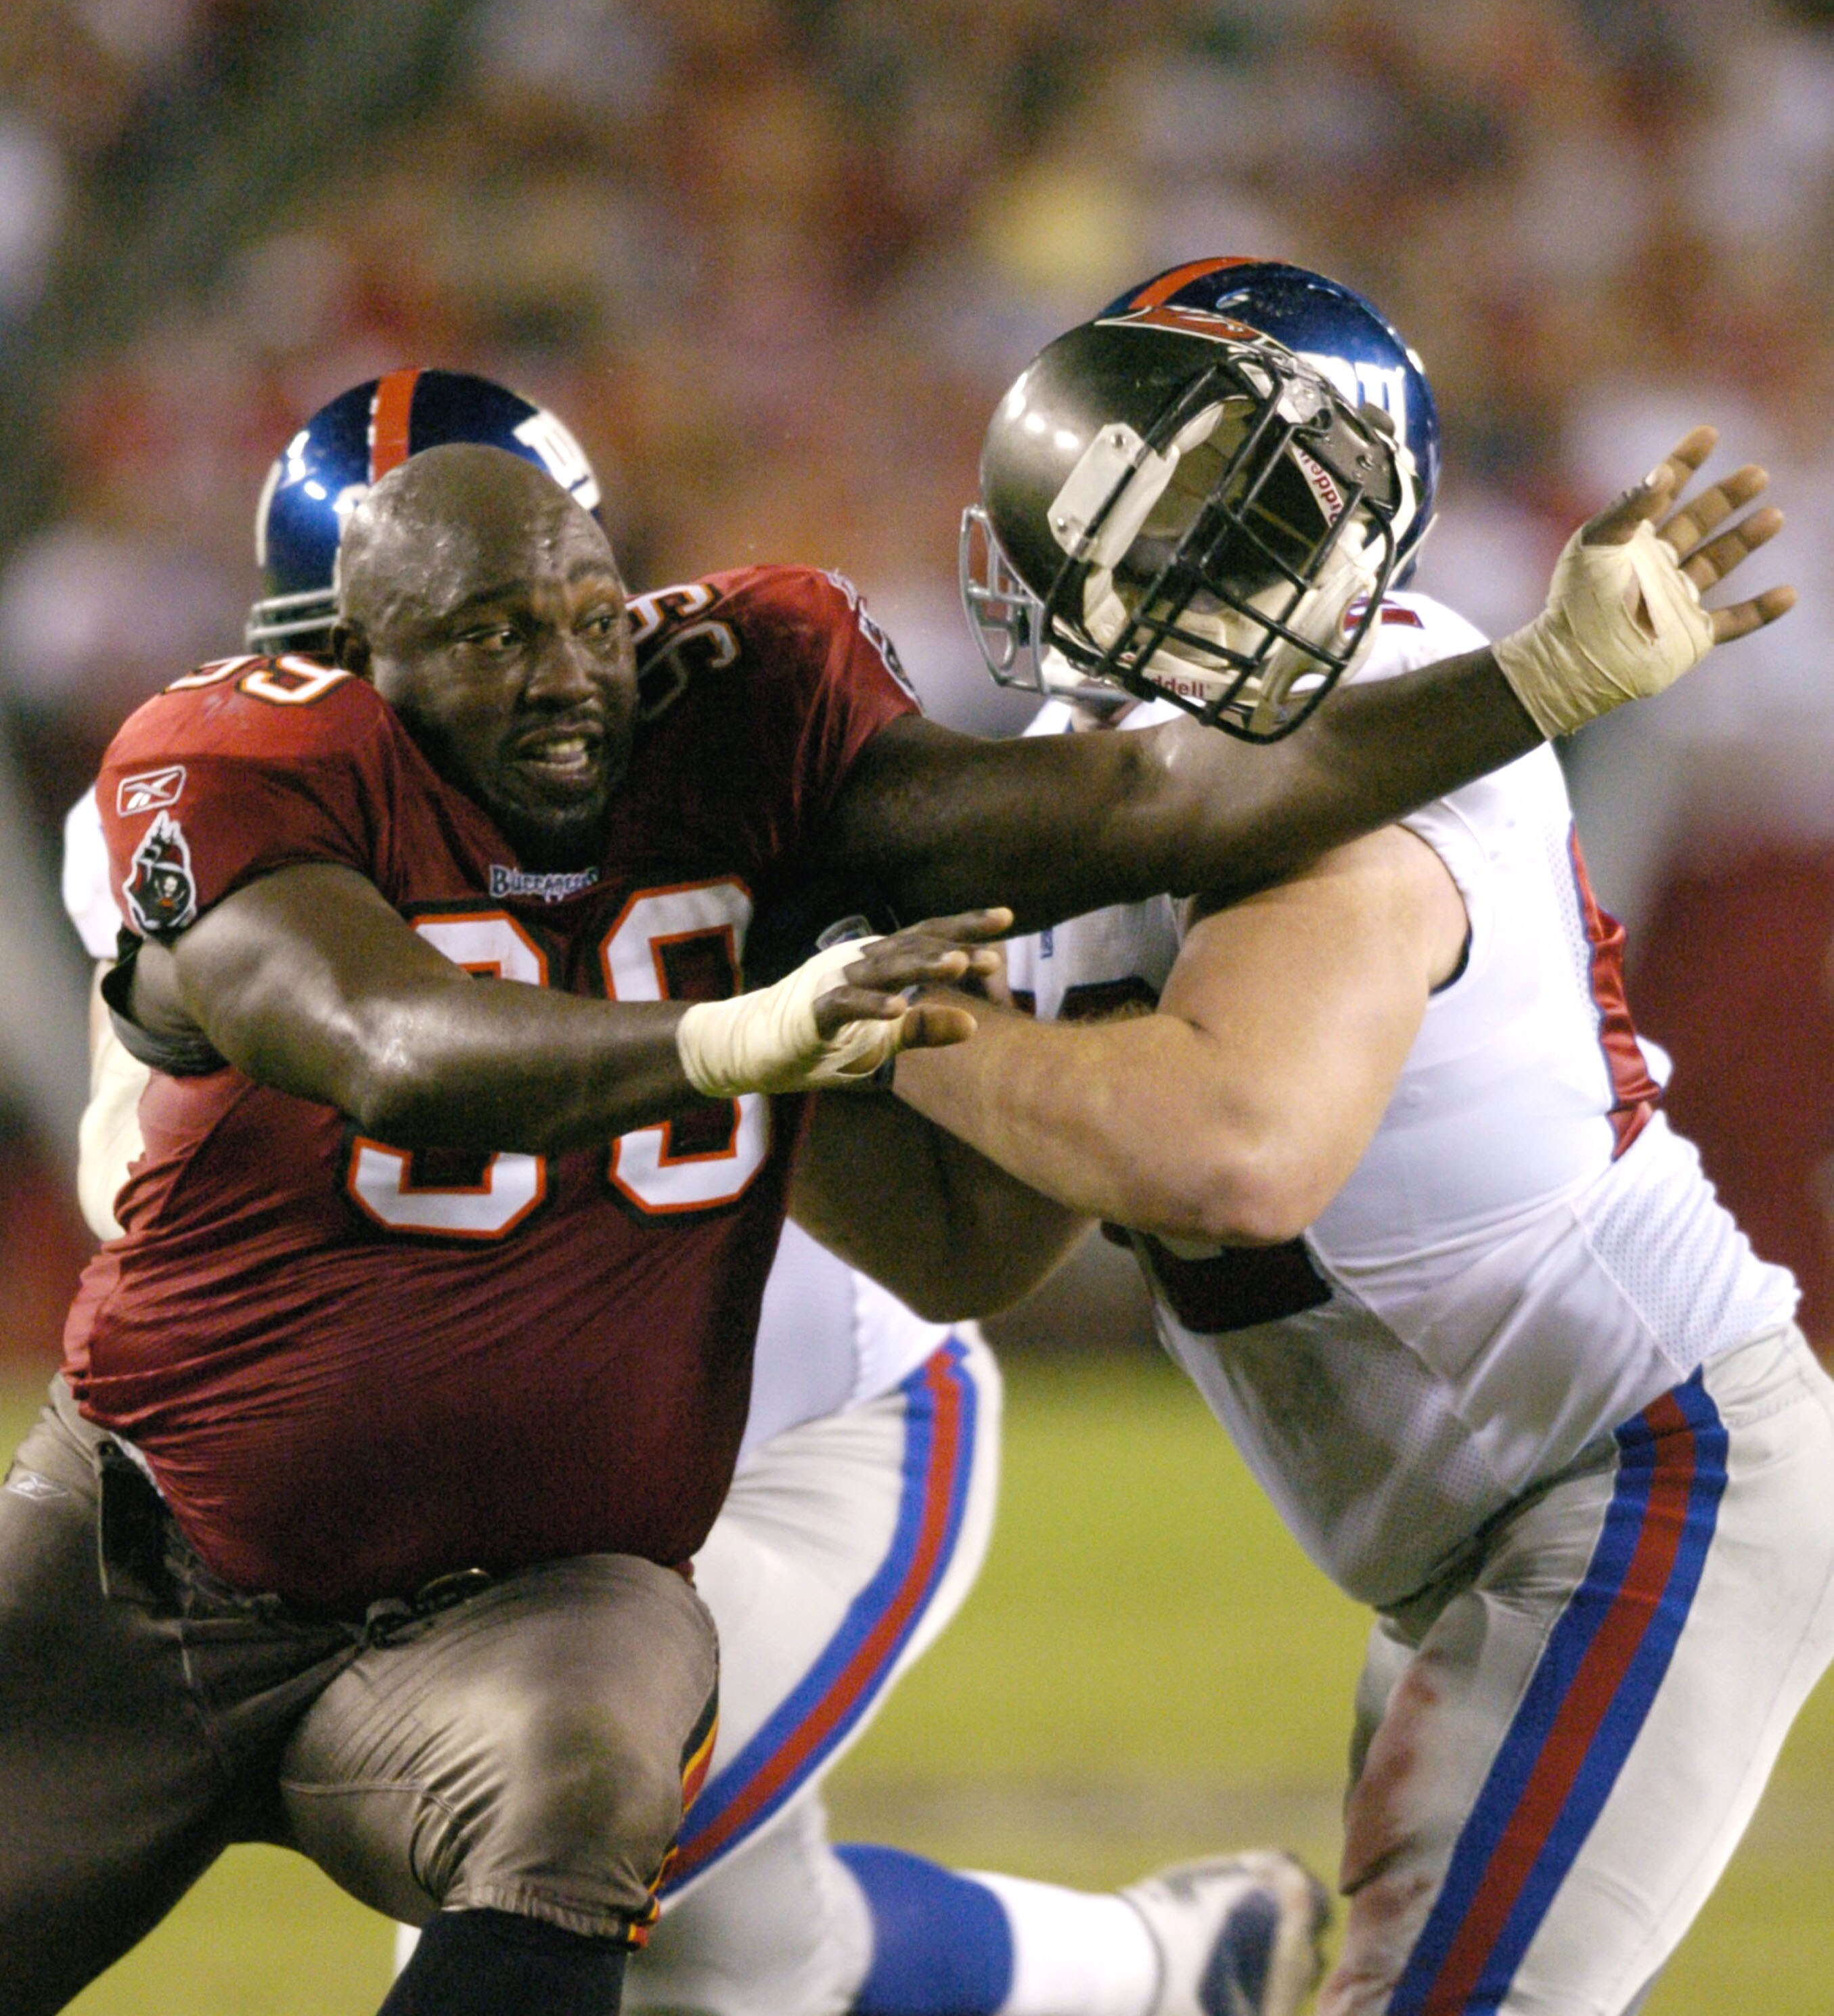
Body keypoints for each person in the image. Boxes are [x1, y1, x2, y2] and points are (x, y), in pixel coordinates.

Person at [3, 289, 1751, 2016]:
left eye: (577, 610)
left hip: (782, 1442)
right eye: (460, 638)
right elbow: (345, 1062)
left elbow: (1164, 1054)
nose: (551, 674)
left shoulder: (734, 708)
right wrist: (732, 1036)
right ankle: (1161, 1966)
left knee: (569, 1869)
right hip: (288, 1526)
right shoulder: (219, 787)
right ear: (308, 657)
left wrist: (1549, 675)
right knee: (757, 1960)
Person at [893, 259, 1833, 2016]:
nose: (1142, 534)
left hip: (1641, 1476)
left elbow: (1233, 1152)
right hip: (1482, 1531)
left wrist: (911, 1032)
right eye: (1127, 483)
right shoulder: (1101, 748)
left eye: (1205, 493)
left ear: (1347, 519)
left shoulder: (1377, 739)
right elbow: (977, 1242)